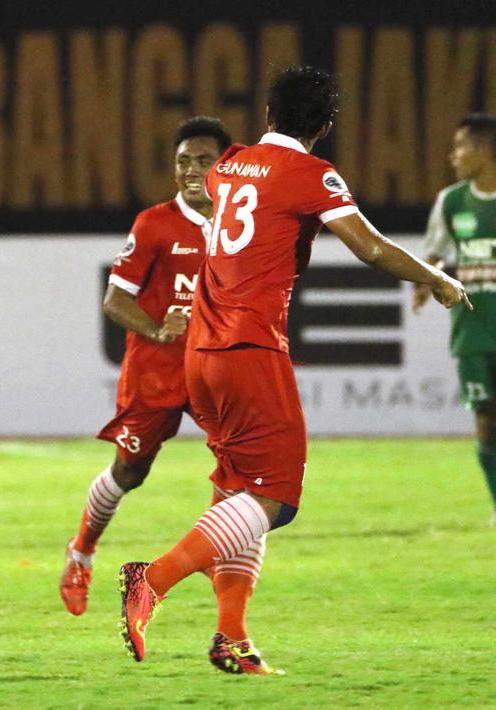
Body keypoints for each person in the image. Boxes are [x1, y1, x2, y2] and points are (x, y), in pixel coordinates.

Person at [117, 66, 470, 674]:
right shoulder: (313, 174)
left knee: (235, 490)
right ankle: (152, 579)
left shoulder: (229, 164)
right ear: (326, 126)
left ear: (269, 115)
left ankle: (231, 638)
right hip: (250, 347)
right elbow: (373, 248)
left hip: (201, 353)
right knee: (275, 498)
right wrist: (436, 278)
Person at [60, 116, 229, 616]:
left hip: (215, 369)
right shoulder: (155, 223)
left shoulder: (239, 224)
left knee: (239, 468)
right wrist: (159, 328)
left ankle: (216, 557)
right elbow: (115, 299)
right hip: (156, 372)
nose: (192, 170)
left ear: (226, 165)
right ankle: (81, 552)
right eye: (183, 162)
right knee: (130, 472)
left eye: (204, 160)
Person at [414, 113, 496, 525]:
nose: (453, 156)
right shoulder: (452, 202)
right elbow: (433, 254)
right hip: (473, 333)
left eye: (461, 147)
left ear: (484, 150)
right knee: (485, 416)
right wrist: (418, 282)